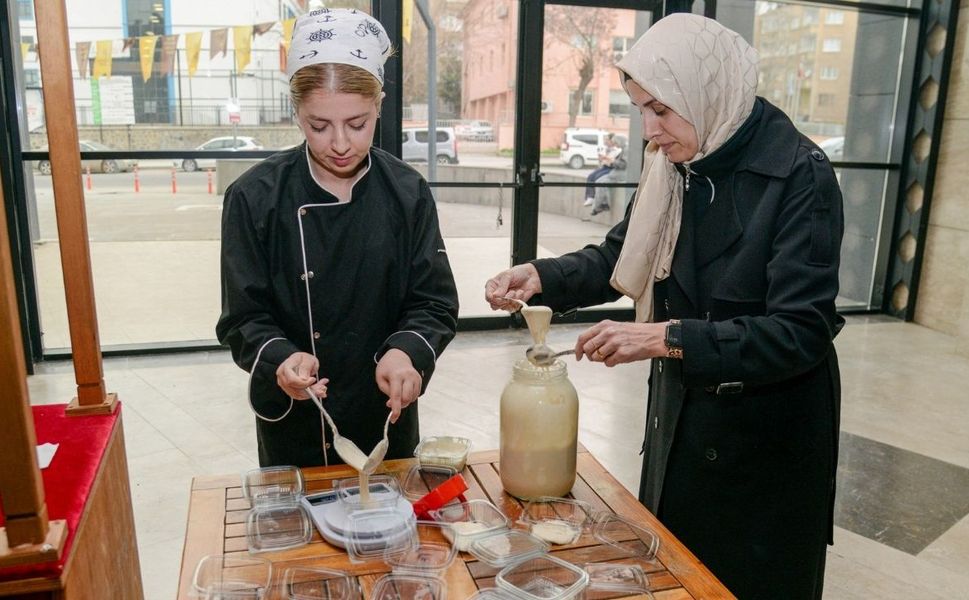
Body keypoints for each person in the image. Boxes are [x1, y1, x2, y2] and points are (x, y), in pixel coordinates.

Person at [485, 13, 843, 600]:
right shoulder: (675, 164)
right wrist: (539, 277)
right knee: (678, 575)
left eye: (660, 109)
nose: (649, 130)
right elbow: (619, 256)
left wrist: (663, 337)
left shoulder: (799, 175)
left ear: (706, 94)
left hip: (765, 447)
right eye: (640, 110)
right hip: (685, 425)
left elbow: (799, 331)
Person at [217, 8, 459, 469]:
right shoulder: (254, 197)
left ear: (380, 105)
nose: (341, 143)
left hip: (384, 410)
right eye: (319, 125)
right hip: (295, 418)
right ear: (296, 113)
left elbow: (434, 302)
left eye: (357, 123)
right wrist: (281, 360)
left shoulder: (407, 192)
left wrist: (406, 351)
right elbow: (243, 318)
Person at [590, 137, 627, 216]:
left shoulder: (626, 150)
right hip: (615, 172)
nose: (615, 145)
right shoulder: (624, 149)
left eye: (616, 143)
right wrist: (610, 161)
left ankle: (598, 206)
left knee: (601, 182)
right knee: (598, 181)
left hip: (621, 174)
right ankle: (603, 203)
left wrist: (612, 160)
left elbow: (623, 165)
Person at [583, 133, 622, 207]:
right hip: (604, 167)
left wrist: (605, 158)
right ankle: (590, 197)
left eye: (607, 139)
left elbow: (615, 162)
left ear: (612, 141)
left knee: (597, 177)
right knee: (591, 176)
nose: (605, 141)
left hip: (611, 169)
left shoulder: (618, 151)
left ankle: (599, 200)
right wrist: (601, 159)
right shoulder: (606, 149)